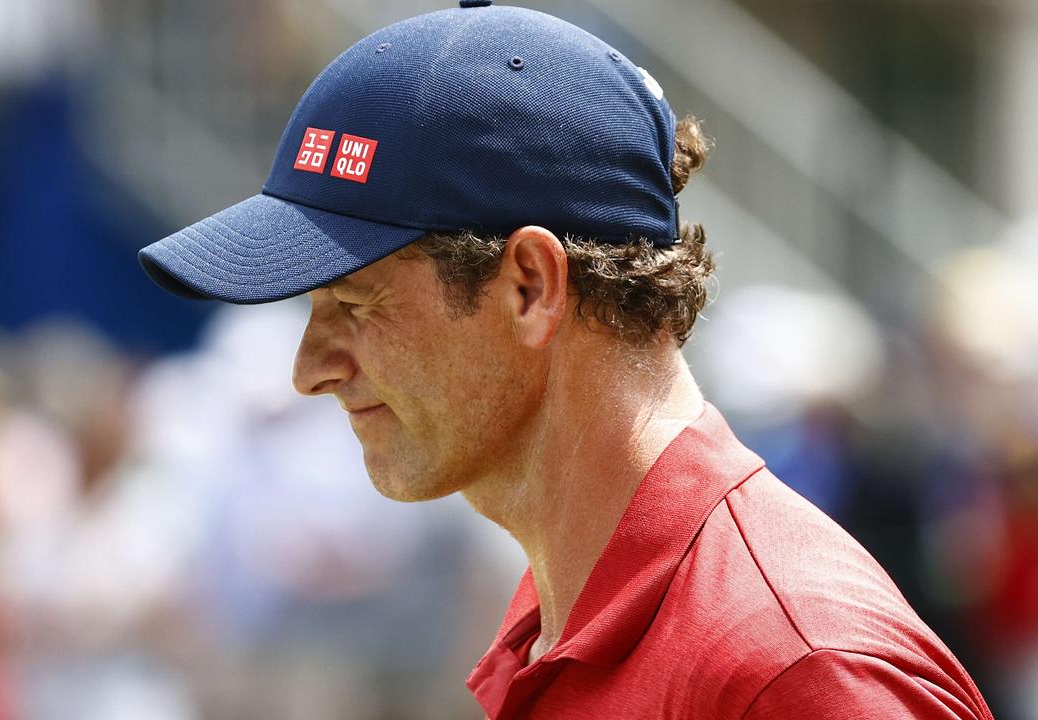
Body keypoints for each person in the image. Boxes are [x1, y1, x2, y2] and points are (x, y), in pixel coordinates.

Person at [137, 2, 995, 718]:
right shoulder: (572, 608)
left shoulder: (789, 667)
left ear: (530, 286)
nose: (310, 368)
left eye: (354, 303)